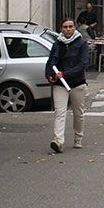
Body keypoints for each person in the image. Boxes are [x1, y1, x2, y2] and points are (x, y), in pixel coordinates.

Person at [44, 17, 89, 153]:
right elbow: (50, 62)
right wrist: (50, 76)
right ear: (61, 29)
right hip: (59, 84)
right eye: (65, 27)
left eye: (70, 26)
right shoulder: (57, 44)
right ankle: (58, 141)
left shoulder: (82, 44)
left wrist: (65, 74)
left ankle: (78, 138)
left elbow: (82, 64)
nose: (68, 29)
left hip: (77, 83)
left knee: (78, 113)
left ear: (75, 27)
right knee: (60, 112)